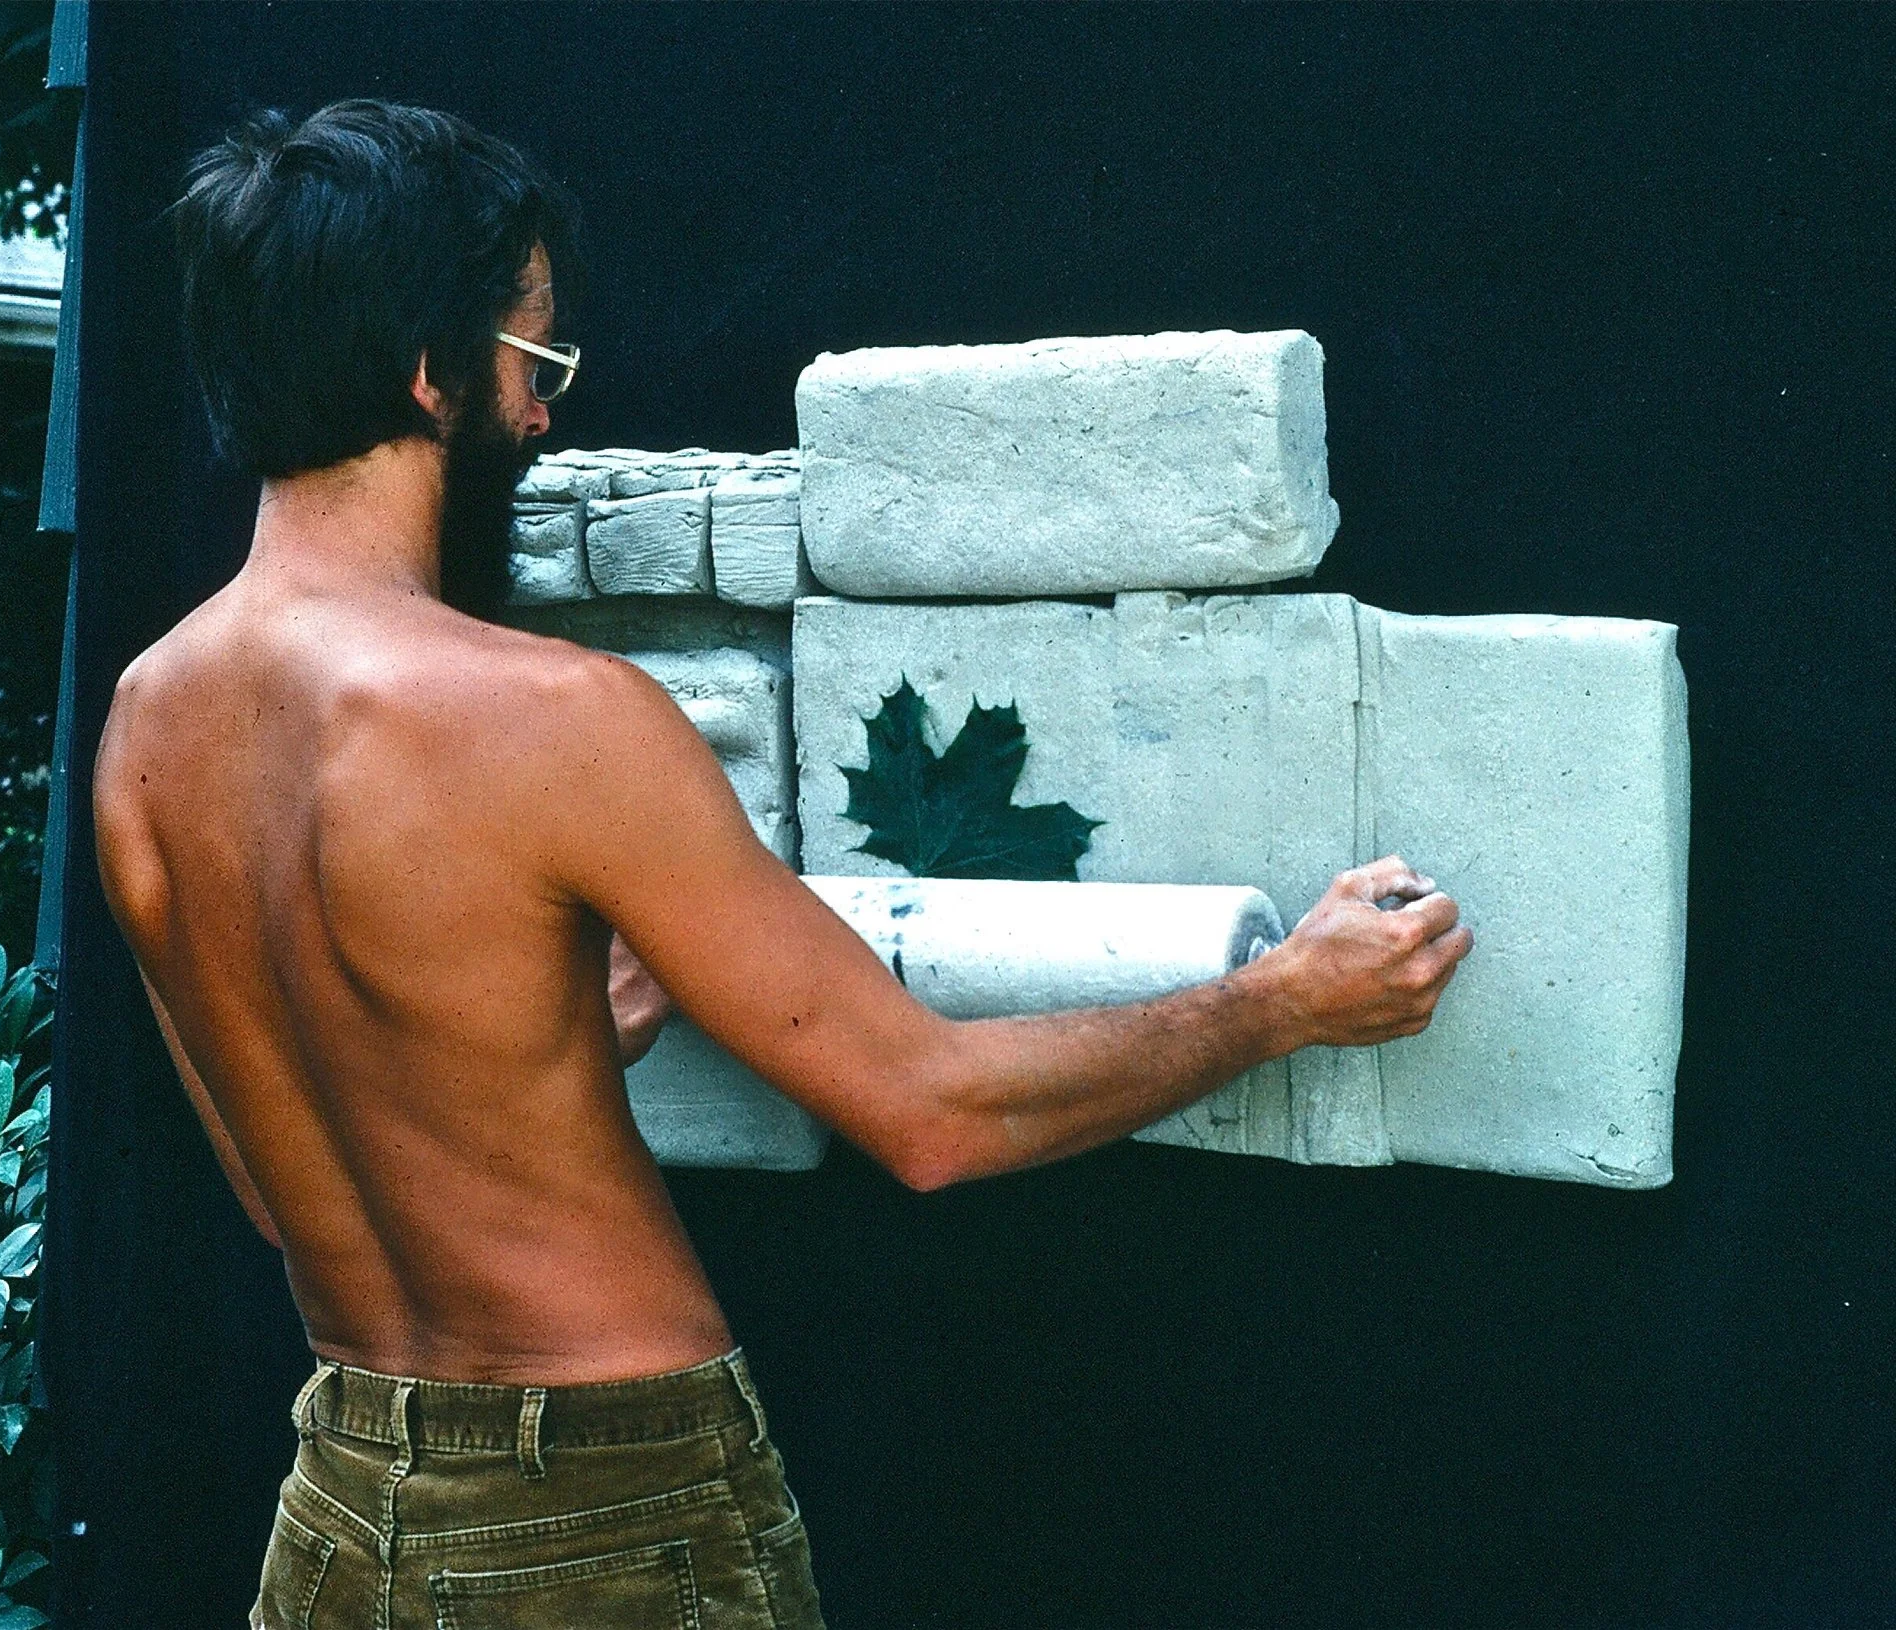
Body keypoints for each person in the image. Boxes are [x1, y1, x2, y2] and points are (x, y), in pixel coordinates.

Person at [92, 99, 1474, 1630]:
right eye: (534, 364)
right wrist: (1286, 1001)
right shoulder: (550, 718)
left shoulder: (146, 734)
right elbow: (931, 1113)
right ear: (428, 375)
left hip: (342, 1497)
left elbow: (293, 1191)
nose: (546, 415)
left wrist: (537, 1046)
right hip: (604, 1510)